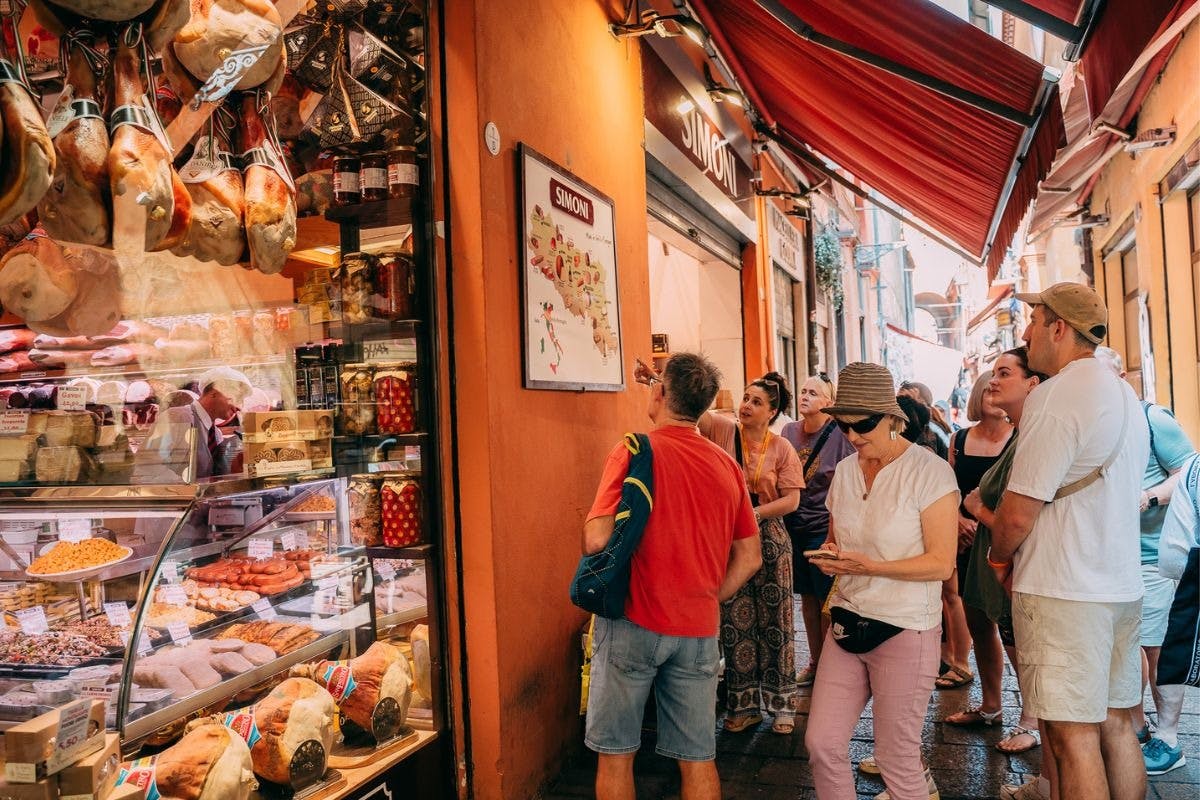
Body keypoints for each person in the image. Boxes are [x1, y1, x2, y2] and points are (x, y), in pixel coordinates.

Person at [988, 283, 1149, 800]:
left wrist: (997, 558)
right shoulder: (1123, 393)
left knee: (1071, 735)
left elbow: (1016, 513)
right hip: (1120, 585)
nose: (1026, 331)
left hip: (1064, 588)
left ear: (1059, 328)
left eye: (1033, 319)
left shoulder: (1056, 396)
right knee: (1118, 726)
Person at [585, 353, 762, 800]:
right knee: (698, 758)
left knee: (616, 754)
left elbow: (596, 541)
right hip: (699, 629)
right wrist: (711, 595)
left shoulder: (632, 450)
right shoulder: (727, 466)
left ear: (661, 393)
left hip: (633, 620)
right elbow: (750, 556)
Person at [804, 362, 959, 800]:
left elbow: (941, 564)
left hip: (906, 626)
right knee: (822, 744)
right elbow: (838, 539)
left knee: (896, 758)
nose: (852, 436)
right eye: (842, 425)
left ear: (893, 418)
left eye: (864, 424)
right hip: (847, 620)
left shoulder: (929, 472)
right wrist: (831, 558)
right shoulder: (847, 472)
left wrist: (869, 567)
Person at [1093, 347, 1197, 766]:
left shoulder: (1153, 418)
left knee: (1155, 646)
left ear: (1120, 379)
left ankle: (1168, 738)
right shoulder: (1096, 425)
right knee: (1123, 645)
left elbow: (1189, 470)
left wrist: (1148, 498)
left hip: (1152, 556)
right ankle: (1137, 730)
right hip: (1108, 556)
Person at [954, 351, 1049, 800]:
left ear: (1033, 384)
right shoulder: (998, 437)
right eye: (991, 374)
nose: (993, 381)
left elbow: (1018, 519)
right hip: (986, 557)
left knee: (1021, 647)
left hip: (1009, 563)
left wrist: (977, 512)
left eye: (1004, 373)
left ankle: (1032, 724)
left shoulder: (1030, 437)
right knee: (986, 630)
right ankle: (995, 706)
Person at [699, 375, 805, 734]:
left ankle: (782, 706)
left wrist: (755, 513)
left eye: (757, 402)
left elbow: (792, 500)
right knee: (735, 621)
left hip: (771, 539)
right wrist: (659, 377)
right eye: (746, 398)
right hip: (728, 540)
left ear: (773, 411)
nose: (746, 406)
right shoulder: (724, 431)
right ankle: (743, 707)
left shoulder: (782, 448)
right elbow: (696, 411)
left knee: (776, 622)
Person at [938, 372, 1013, 696]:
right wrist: (956, 518)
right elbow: (948, 489)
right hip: (967, 542)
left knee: (1012, 630)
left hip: (1003, 540)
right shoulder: (959, 440)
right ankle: (991, 703)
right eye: (987, 393)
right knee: (980, 626)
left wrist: (980, 519)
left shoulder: (1020, 438)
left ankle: (1029, 717)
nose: (994, 398)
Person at [779, 372, 856, 687]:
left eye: (813, 392)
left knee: (828, 601)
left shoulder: (840, 434)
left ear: (830, 402)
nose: (805, 396)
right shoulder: (788, 431)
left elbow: (849, 484)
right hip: (792, 525)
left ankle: (833, 668)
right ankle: (815, 661)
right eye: (803, 390)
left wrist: (835, 536)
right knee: (807, 599)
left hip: (824, 527)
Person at [1152, 451, 1199, 776]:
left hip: (1195, 579)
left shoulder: (1195, 468)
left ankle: (1167, 737)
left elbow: (1173, 557)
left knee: (1178, 650)